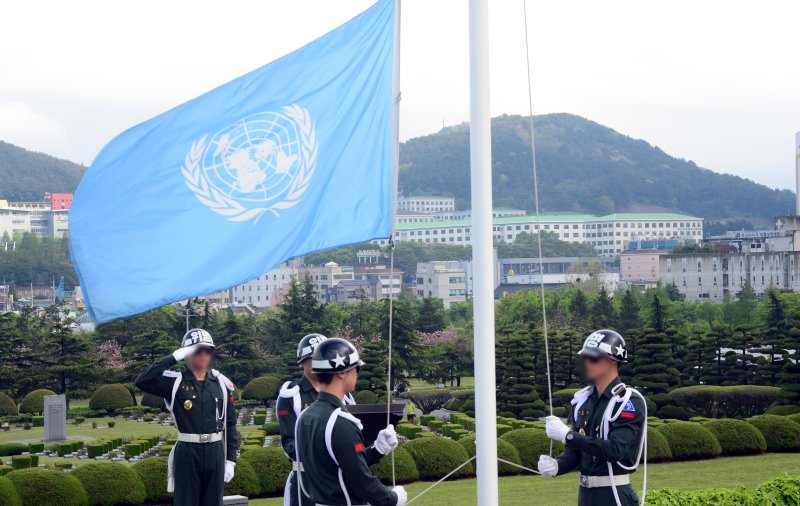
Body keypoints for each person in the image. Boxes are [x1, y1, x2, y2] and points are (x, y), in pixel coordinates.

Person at [539, 329, 647, 506]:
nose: (588, 363)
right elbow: (577, 451)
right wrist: (557, 465)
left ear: (613, 360)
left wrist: (568, 435)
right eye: (585, 358)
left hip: (614, 495)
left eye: (594, 358)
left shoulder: (628, 401)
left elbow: (614, 450)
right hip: (587, 496)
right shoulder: (583, 401)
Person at [295, 337, 407, 506]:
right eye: (356, 368)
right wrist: (392, 499)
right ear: (341, 371)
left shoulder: (305, 417)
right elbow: (361, 482)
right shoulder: (340, 422)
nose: (357, 373)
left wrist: (377, 449)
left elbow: (337, 468)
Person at [135, 328, 238, 506]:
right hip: (188, 451)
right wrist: (173, 357)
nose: (203, 354)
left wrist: (230, 460)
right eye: (197, 350)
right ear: (187, 354)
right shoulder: (175, 382)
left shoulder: (221, 383)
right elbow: (142, 381)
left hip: (215, 451)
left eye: (207, 350)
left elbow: (230, 424)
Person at [276, 333, 328, 506]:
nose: (317, 362)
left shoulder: (343, 393)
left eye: (321, 358)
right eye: (312, 358)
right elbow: (289, 442)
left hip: (339, 476)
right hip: (307, 478)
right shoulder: (292, 395)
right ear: (302, 361)